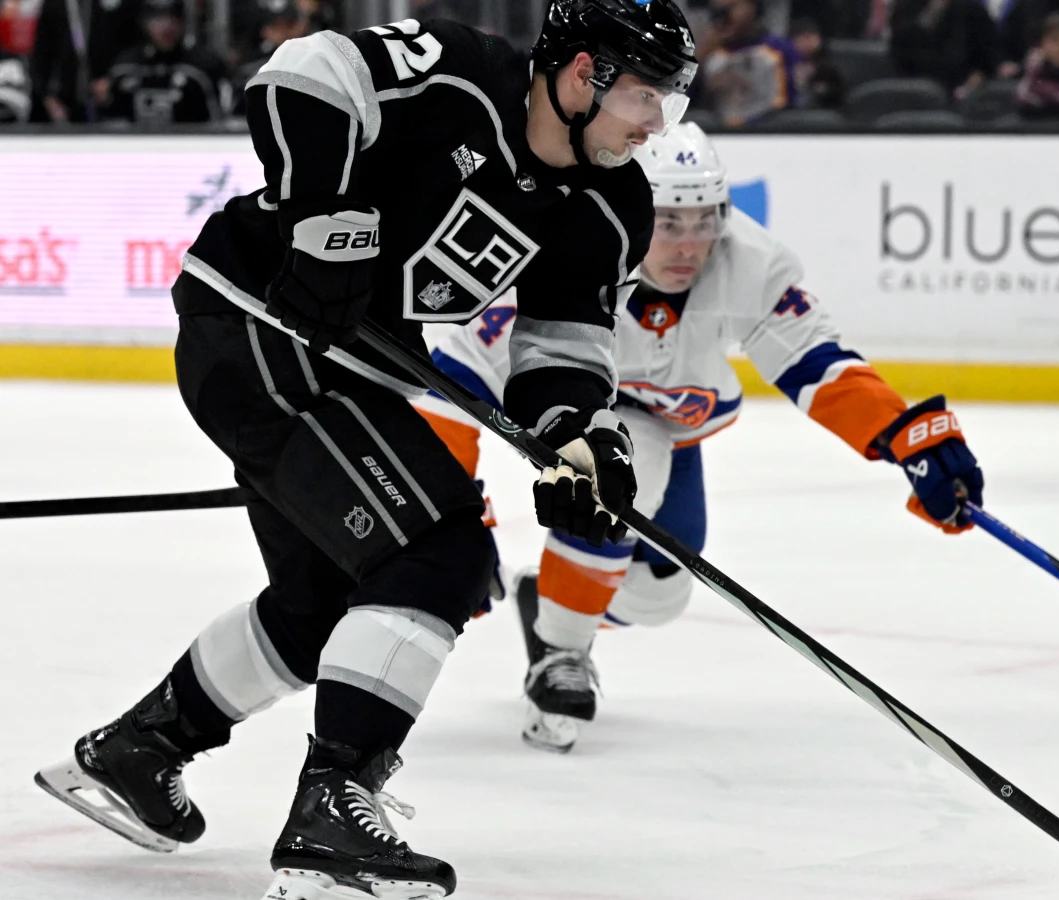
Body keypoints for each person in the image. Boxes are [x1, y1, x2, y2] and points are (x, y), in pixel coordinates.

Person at [33, 1, 696, 897]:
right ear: (585, 75)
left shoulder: (613, 202)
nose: (657, 123)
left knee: (330, 601)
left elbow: (562, 349)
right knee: (440, 550)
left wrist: (577, 436)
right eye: (647, 96)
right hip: (259, 325)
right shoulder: (463, 73)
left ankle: (140, 751)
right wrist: (323, 216)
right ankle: (332, 809)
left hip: (351, 368)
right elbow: (302, 75)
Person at [416, 123, 987, 753]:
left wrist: (905, 435)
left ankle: (551, 598)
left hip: (673, 421)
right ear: (633, 205)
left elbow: (816, 362)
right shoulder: (565, 248)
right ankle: (560, 653)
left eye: (704, 219)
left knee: (659, 595)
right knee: (625, 482)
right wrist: (450, 513)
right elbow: (451, 379)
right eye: (669, 221)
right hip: (578, 417)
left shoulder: (751, 261)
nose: (690, 244)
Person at [96, 0, 230, 124]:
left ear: (183, 21)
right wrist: (104, 100)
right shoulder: (124, 68)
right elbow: (111, 124)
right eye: (157, 19)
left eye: (173, 18)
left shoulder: (203, 67)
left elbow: (217, 126)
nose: (166, 27)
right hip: (135, 147)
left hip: (189, 147)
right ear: (144, 22)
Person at [697, 0, 801, 126]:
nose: (725, 15)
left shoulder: (778, 50)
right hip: (719, 132)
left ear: (754, 7)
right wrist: (701, 56)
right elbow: (684, 101)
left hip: (768, 132)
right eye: (719, 9)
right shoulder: (709, 53)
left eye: (733, 7)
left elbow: (794, 102)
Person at [889, 0, 1002, 97]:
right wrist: (931, 16)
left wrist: (976, 79)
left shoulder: (974, 12)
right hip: (914, 93)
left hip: (963, 95)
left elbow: (988, 59)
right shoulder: (907, 9)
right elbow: (899, 55)